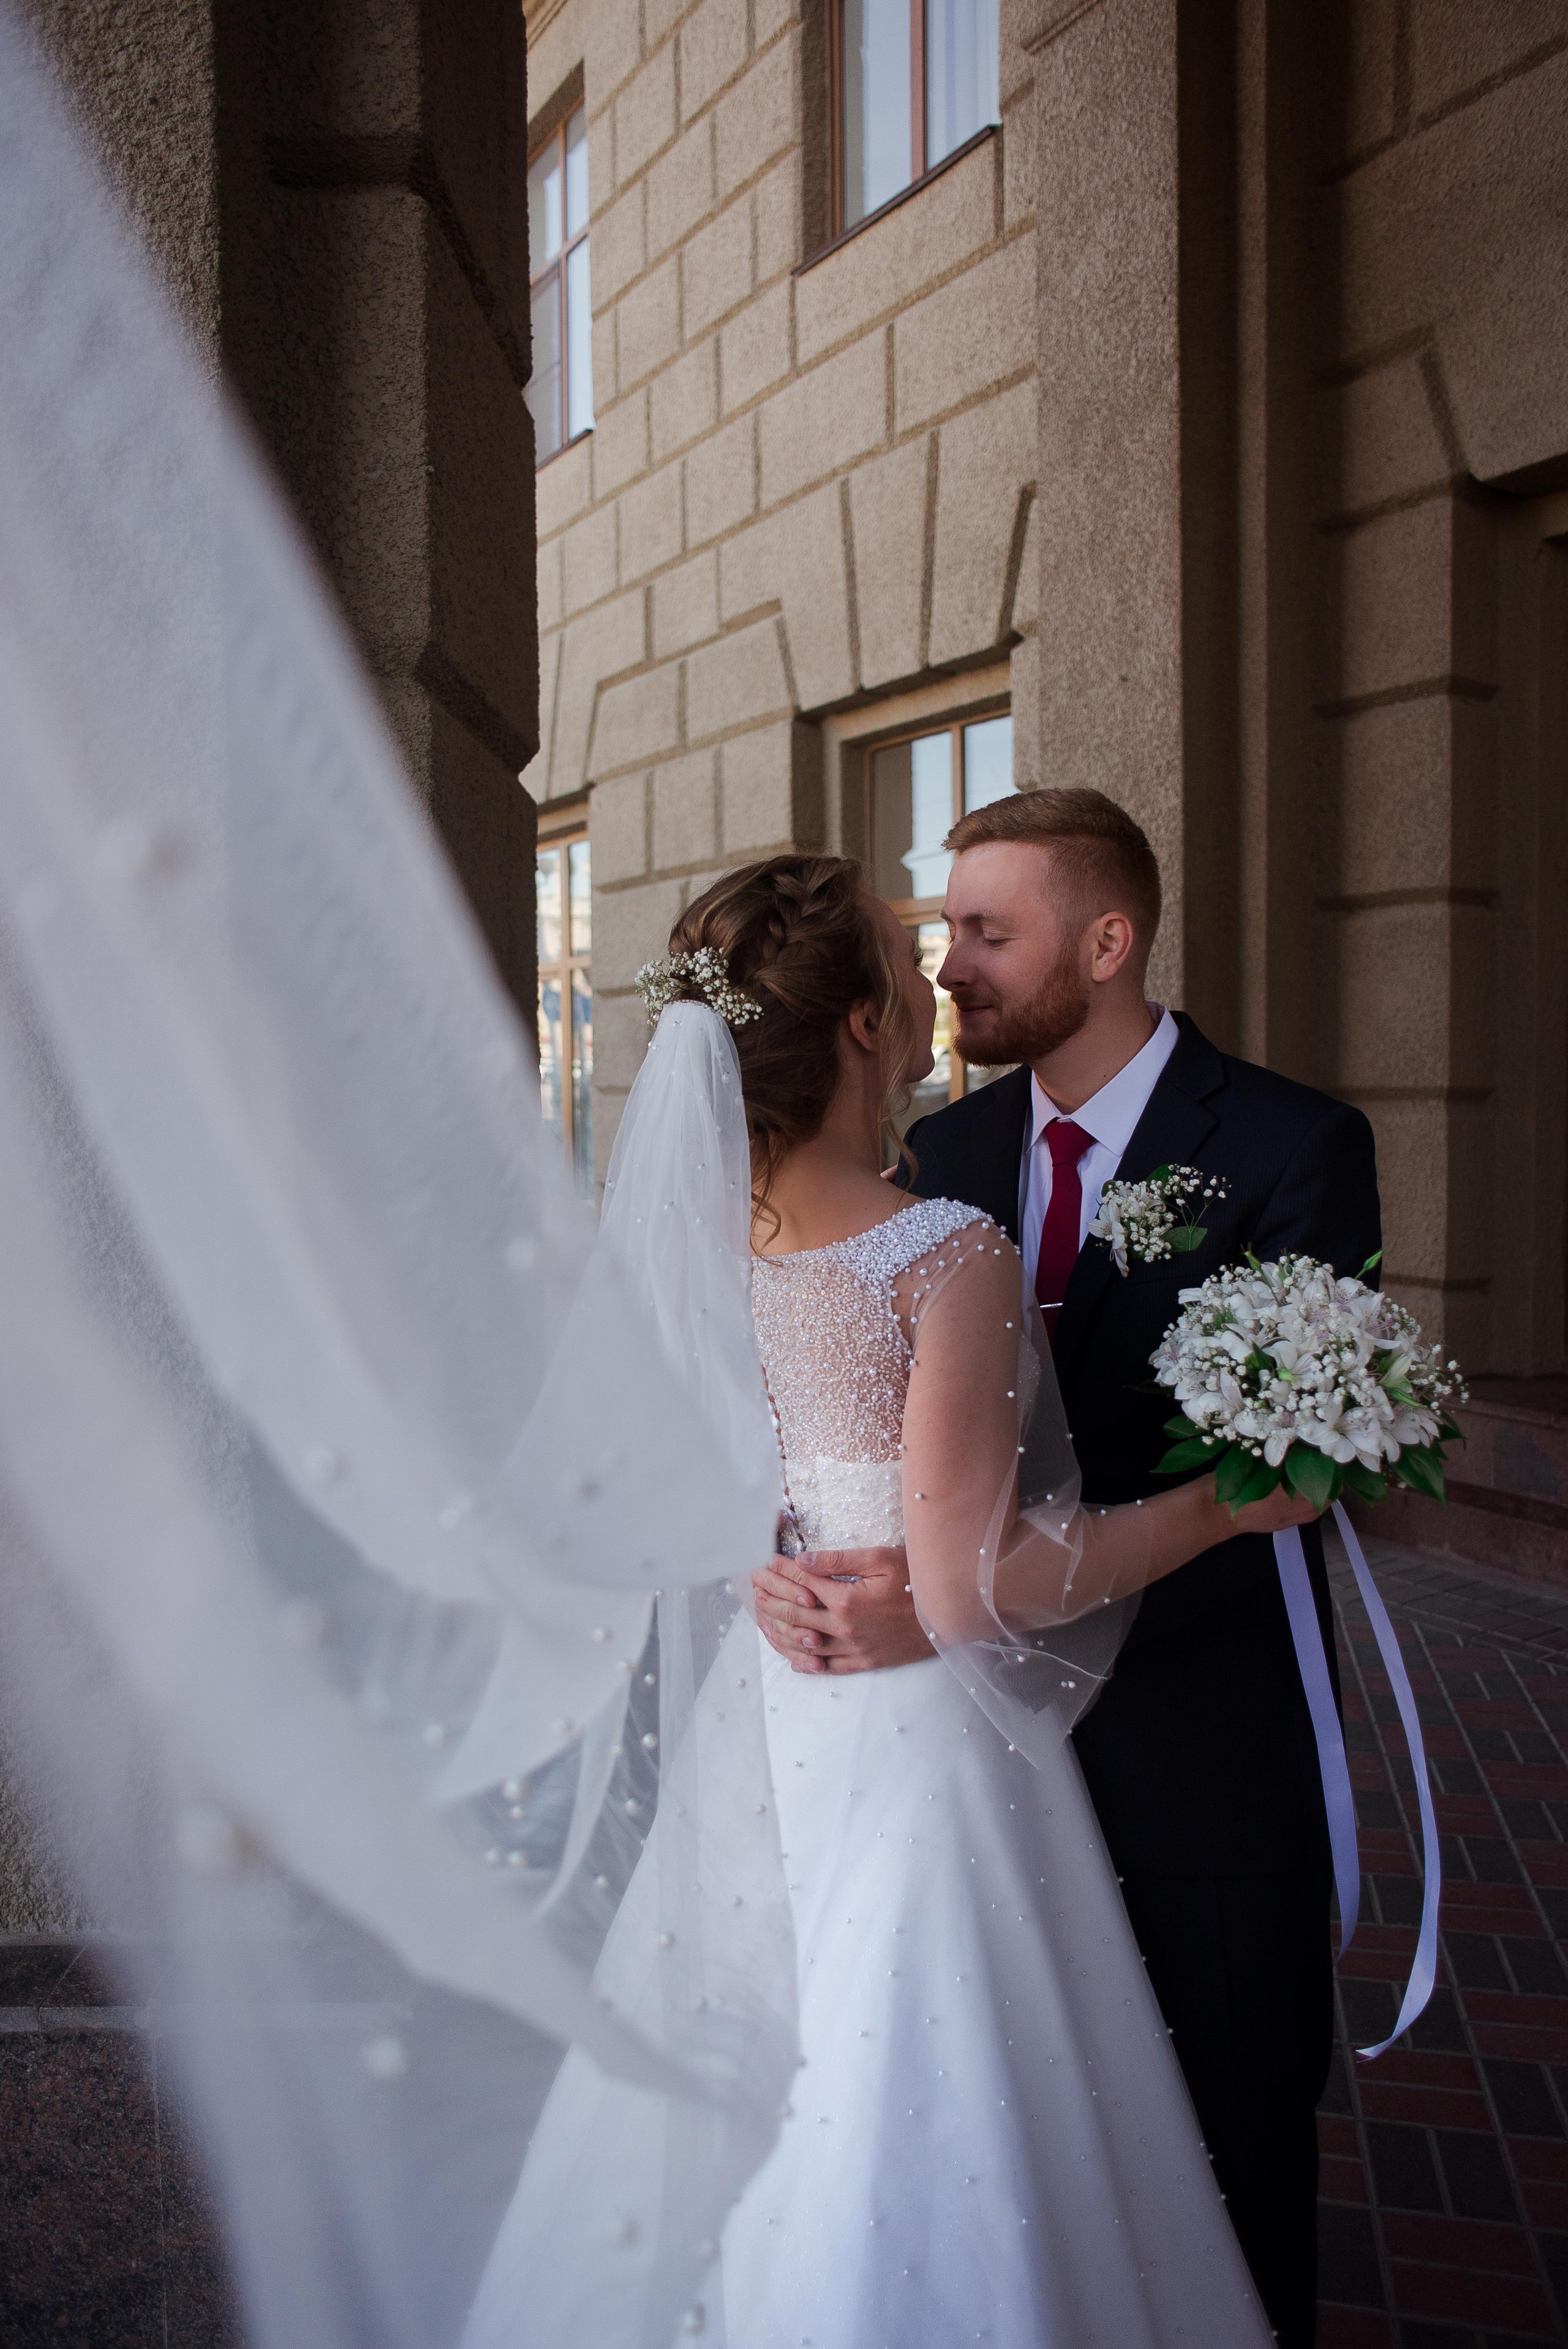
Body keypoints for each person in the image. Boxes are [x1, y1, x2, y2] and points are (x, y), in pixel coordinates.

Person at [467, 854, 1322, 2349]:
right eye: (908, 956)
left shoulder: (690, 1246)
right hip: (912, 1751)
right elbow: (976, 1583)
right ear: (859, 1025)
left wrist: (760, 1559)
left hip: (767, 1728)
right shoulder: (940, 1251)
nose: (936, 983)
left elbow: (666, 1478)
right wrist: (1220, 1504)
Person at [753, 793, 1382, 2347]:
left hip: (1190, 1737)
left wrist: (959, 1580)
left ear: (1104, 944)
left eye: (985, 929)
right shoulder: (940, 1153)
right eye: (940, 930)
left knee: (1225, 2151)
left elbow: (1315, 1453)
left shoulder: (1295, 1142)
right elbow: (832, 1401)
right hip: (952, 1759)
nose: (948, 966)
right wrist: (803, 1570)